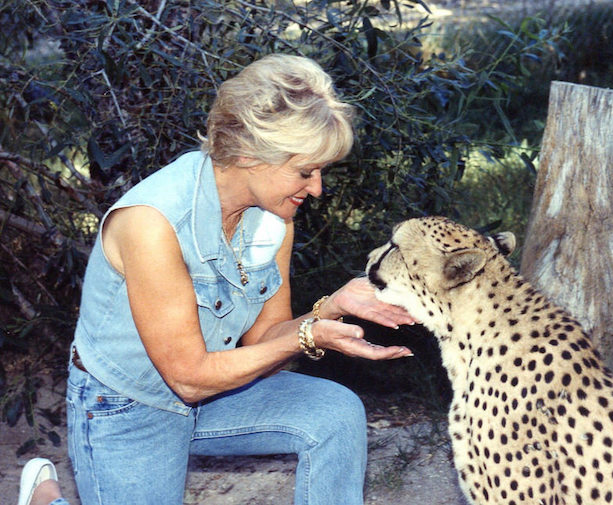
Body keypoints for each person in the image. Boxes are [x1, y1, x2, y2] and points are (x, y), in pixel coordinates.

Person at [20, 53, 415, 505]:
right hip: (129, 405)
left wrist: (333, 307)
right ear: (250, 154)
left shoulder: (274, 215)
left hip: (216, 391)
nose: (317, 188)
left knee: (336, 414)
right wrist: (309, 335)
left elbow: (266, 338)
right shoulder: (152, 221)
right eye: (305, 171)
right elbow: (189, 377)